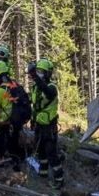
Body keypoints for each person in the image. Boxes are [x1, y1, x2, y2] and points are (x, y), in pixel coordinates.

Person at [28, 58, 63, 186]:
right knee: (40, 151)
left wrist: (34, 76)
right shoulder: (35, 88)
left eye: (41, 72)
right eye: (37, 71)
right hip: (39, 125)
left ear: (48, 73)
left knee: (51, 153)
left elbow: (47, 93)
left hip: (49, 126)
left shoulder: (51, 87)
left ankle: (59, 180)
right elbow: (34, 104)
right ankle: (43, 174)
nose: (39, 74)